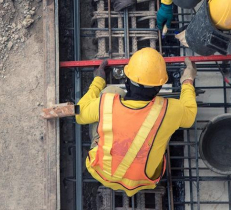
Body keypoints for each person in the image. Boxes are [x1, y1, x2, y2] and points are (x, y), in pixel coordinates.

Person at [75, 47, 197, 196]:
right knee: (166, 125)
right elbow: (190, 115)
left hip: (102, 172)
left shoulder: (107, 103)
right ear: (158, 88)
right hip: (144, 181)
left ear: (127, 81)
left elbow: (79, 114)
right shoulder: (169, 110)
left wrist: (98, 80)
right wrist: (187, 81)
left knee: (111, 91)